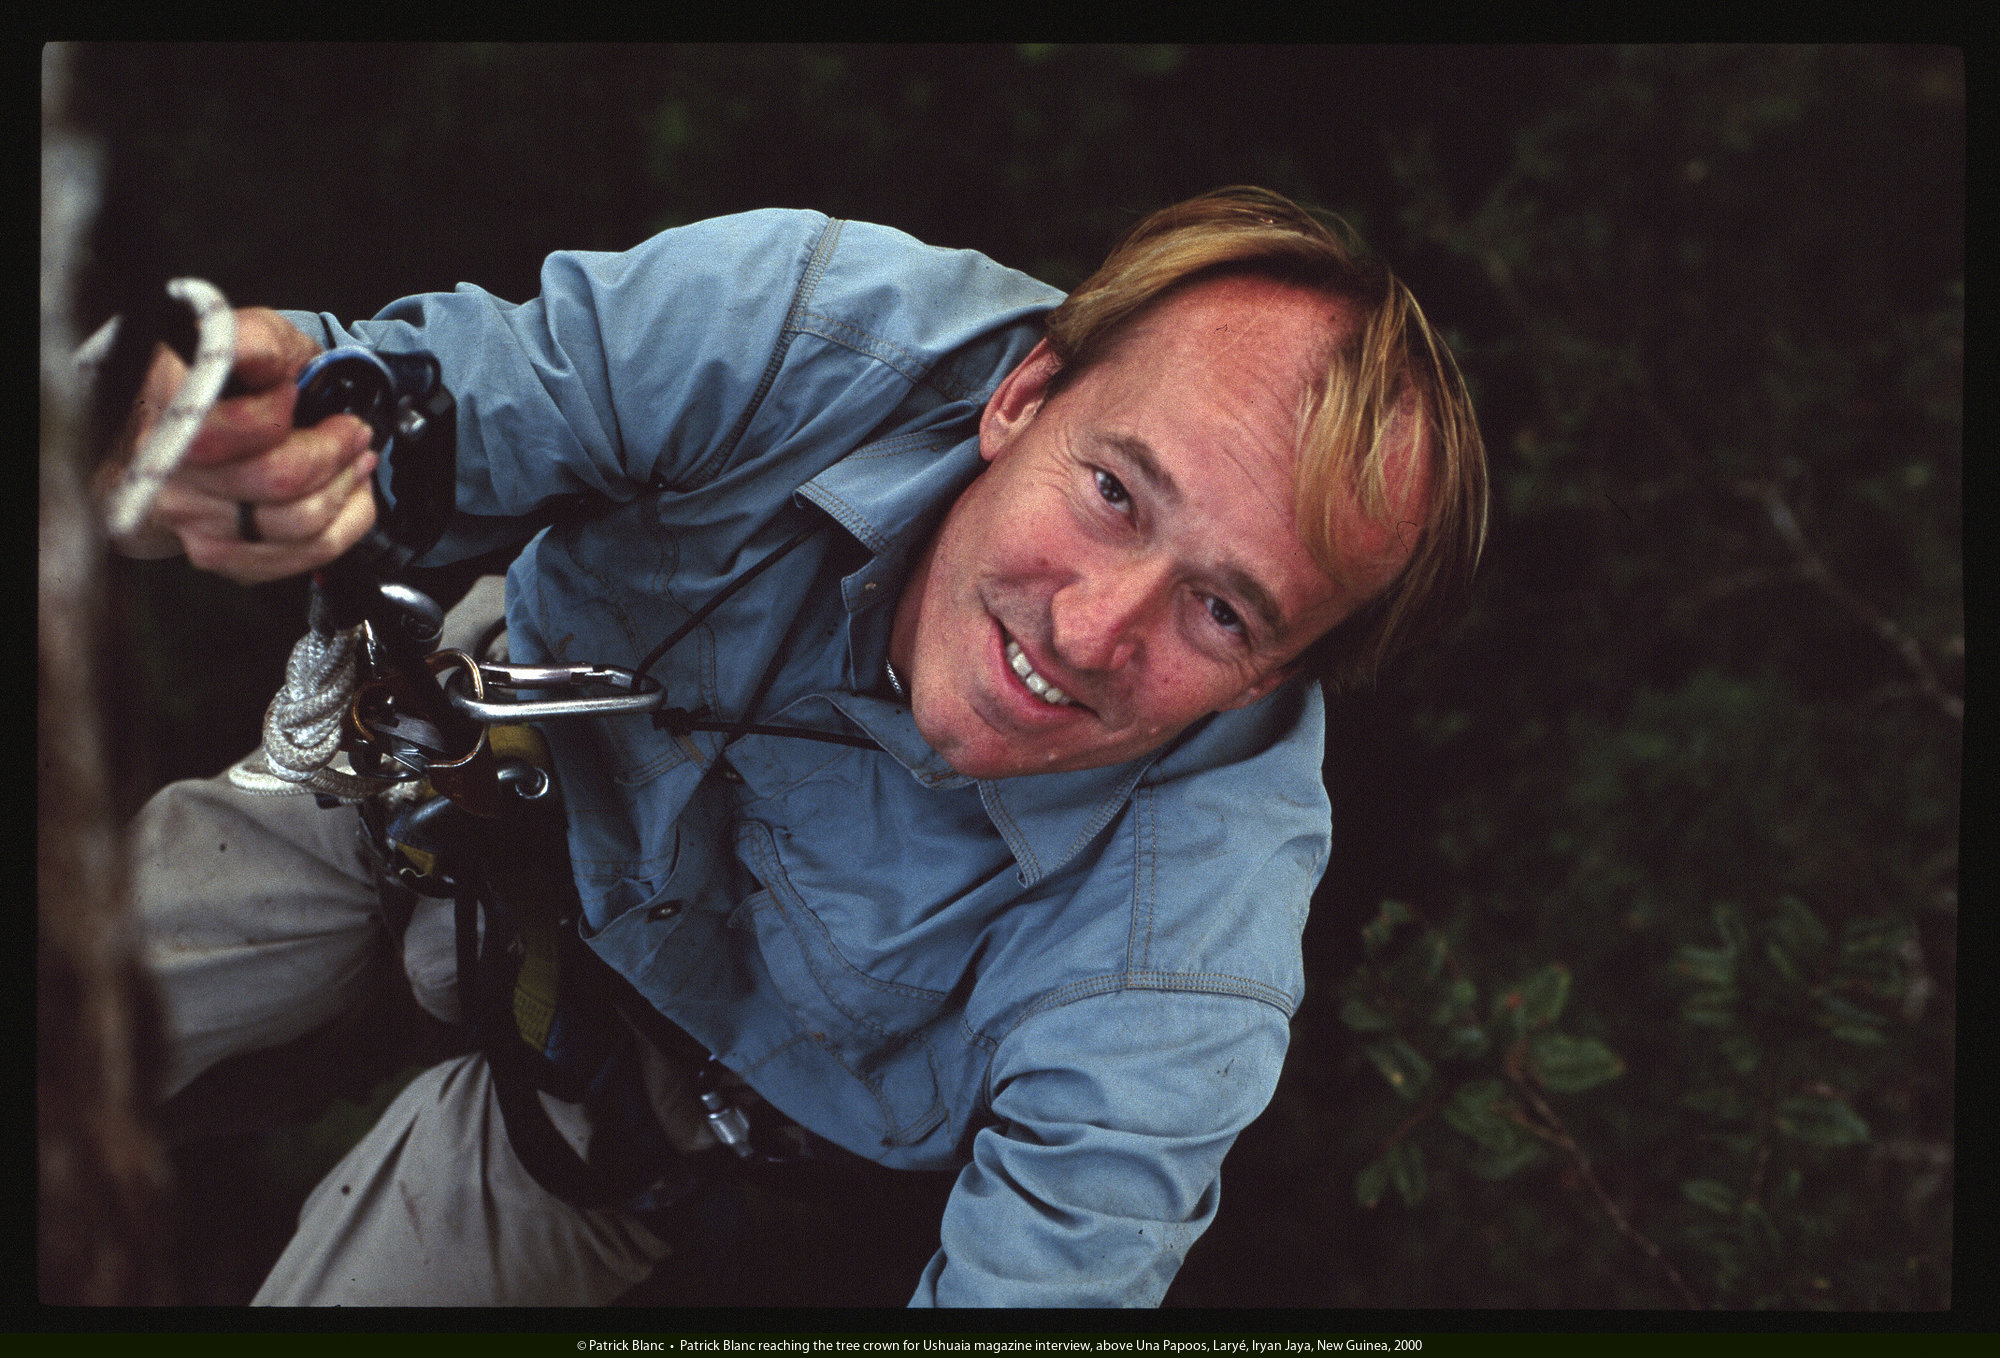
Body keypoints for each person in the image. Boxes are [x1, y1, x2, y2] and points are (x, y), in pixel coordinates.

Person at [104, 186, 1487, 1306]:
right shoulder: (802, 334)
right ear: (1024, 396)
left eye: (1223, 609)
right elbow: (416, 405)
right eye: (1117, 491)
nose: (1089, 630)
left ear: (1273, 676)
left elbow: (1054, 1275)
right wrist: (226, 430)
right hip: (426, 784)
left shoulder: (1183, 962)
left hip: (622, 1105)